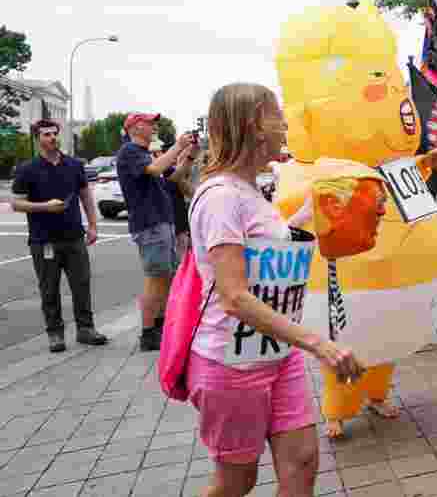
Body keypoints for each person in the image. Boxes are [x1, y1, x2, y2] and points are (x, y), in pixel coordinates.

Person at [189, 83, 368, 497]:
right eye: (277, 116)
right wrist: (319, 344)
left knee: (303, 459)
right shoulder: (220, 198)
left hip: (277, 354)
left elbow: (276, 246)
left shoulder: (251, 190)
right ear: (254, 125)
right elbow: (234, 297)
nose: (285, 125)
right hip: (231, 366)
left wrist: (317, 205)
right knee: (237, 482)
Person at [11, 120, 109, 353]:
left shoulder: (74, 165)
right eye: (47, 134)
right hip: (44, 241)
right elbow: (16, 204)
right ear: (38, 138)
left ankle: (86, 329)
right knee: (49, 289)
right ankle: (55, 334)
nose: (53, 138)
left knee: (81, 285)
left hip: (74, 237)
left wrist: (93, 225)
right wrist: (45, 206)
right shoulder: (28, 169)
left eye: (55, 133)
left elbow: (85, 196)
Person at [116, 114, 196, 351]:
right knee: (155, 278)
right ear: (137, 127)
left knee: (165, 276)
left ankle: (159, 327)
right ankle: (148, 333)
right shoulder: (130, 151)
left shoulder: (144, 153)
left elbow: (172, 177)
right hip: (150, 224)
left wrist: (189, 155)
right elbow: (154, 169)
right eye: (151, 123)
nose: (155, 127)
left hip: (161, 222)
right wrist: (178, 146)